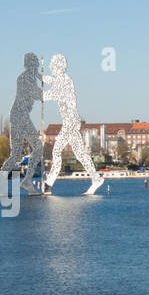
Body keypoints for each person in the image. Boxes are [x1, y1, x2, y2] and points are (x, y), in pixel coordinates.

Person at [42, 54, 103, 195]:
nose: (51, 67)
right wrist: (41, 77)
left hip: (70, 121)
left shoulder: (65, 81)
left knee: (56, 151)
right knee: (80, 153)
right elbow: (52, 80)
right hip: (72, 121)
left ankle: (49, 183)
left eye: (52, 65)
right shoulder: (62, 79)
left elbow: (52, 94)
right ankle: (95, 178)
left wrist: (36, 93)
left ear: (58, 66)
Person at [2, 52, 43, 192]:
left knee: (16, 154)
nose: (37, 66)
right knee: (38, 148)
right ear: (30, 65)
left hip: (18, 115)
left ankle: (3, 184)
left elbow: (37, 93)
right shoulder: (24, 78)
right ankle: (26, 181)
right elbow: (37, 94)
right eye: (35, 64)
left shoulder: (29, 77)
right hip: (21, 116)